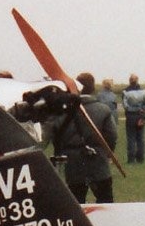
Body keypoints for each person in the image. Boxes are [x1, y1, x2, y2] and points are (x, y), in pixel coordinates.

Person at [49, 72, 116, 203]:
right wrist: (108, 154)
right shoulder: (103, 109)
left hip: (72, 161)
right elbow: (111, 136)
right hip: (98, 159)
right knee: (106, 200)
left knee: (76, 202)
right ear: (92, 88)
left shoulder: (63, 110)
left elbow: (55, 135)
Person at [121, 74, 145, 163]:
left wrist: (133, 109)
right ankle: (141, 158)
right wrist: (143, 116)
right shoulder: (144, 92)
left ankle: (131, 159)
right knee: (140, 138)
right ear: (137, 80)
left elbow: (125, 106)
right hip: (141, 115)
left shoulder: (125, 92)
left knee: (131, 138)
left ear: (129, 81)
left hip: (130, 116)